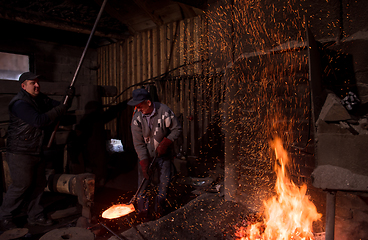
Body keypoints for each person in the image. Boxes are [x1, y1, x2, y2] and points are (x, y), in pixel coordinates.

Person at [0, 72, 74, 230]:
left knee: (39, 184)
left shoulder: (39, 99)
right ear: (23, 86)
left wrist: (68, 97)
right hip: (20, 152)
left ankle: (35, 215)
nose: (37, 85)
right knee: (21, 185)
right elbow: (38, 121)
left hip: (36, 149)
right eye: (32, 83)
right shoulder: (19, 103)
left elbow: (59, 106)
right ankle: (5, 216)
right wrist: (61, 109)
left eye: (37, 82)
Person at [128, 87, 182, 221]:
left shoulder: (164, 111)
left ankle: (160, 213)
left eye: (140, 106)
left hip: (164, 156)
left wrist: (166, 142)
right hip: (146, 156)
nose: (138, 109)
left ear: (148, 102)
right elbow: (139, 144)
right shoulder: (137, 119)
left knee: (164, 184)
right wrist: (144, 162)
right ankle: (143, 215)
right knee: (143, 185)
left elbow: (177, 128)